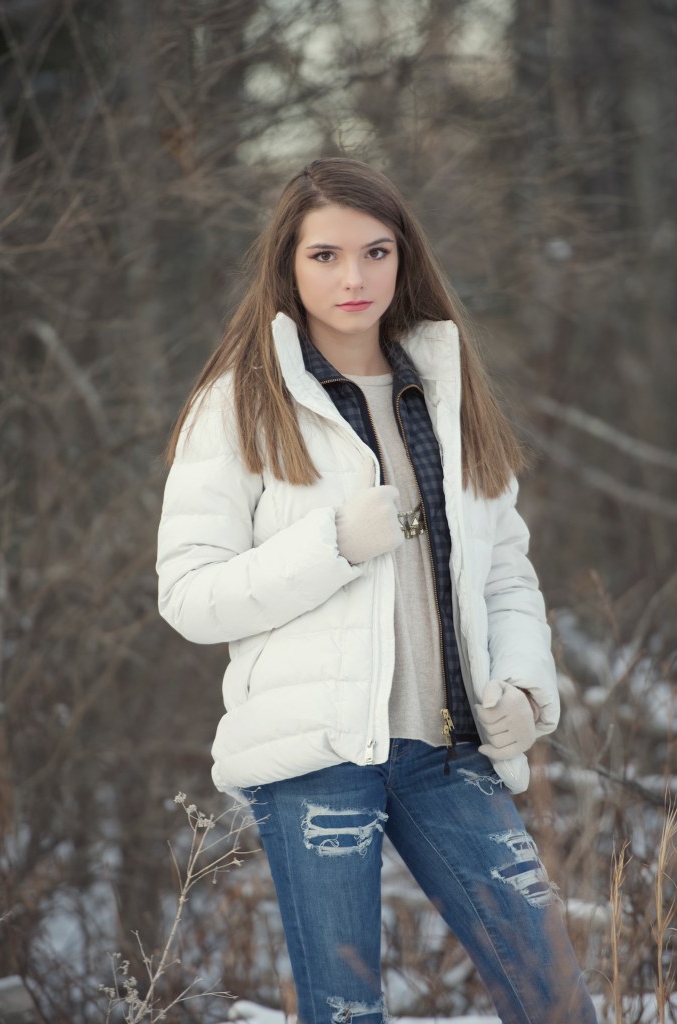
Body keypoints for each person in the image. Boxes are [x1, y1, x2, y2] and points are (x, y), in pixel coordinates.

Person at [156, 158, 597, 1024]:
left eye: (375, 252)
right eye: (324, 255)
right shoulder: (240, 406)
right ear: (288, 266)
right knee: (345, 1012)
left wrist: (522, 684)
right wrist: (332, 545)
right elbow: (190, 595)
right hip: (318, 758)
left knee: (554, 999)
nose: (353, 278)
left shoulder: (448, 396)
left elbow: (505, 570)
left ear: (405, 258)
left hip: (450, 751)